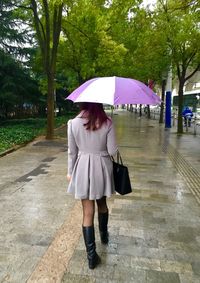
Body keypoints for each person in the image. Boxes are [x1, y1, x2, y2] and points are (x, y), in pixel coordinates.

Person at [67, 102, 118, 269]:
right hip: (102, 169)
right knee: (102, 203)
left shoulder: (73, 123)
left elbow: (72, 152)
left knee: (87, 212)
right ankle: (104, 235)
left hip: (82, 167)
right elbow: (112, 151)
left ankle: (91, 257)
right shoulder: (107, 122)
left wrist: (70, 172)